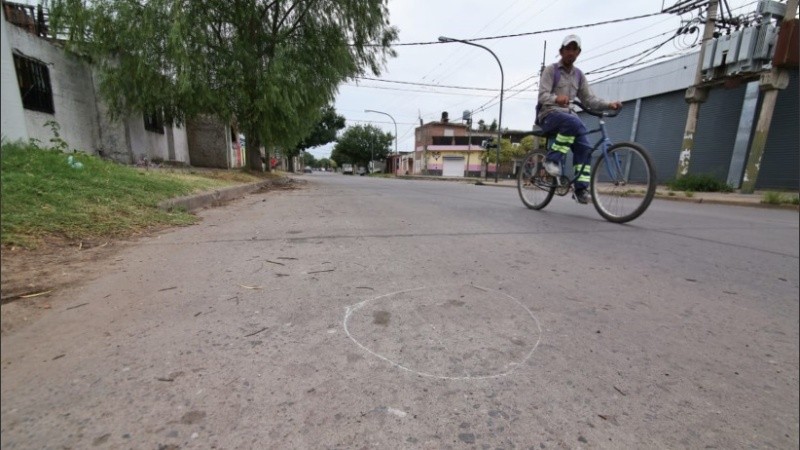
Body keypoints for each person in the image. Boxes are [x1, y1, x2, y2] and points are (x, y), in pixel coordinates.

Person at [536, 34, 622, 204]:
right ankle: (552, 160)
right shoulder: (551, 70)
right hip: (549, 115)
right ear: (561, 51)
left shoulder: (579, 76)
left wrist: (608, 104)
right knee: (574, 122)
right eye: (568, 48)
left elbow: (589, 100)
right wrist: (556, 98)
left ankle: (581, 189)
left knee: (585, 147)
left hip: (569, 118)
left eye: (574, 49)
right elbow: (542, 96)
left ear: (578, 53)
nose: (570, 52)